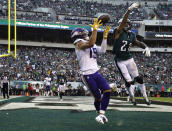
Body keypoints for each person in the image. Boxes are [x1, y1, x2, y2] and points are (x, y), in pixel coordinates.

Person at [71, 18, 111, 124]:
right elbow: (91, 43)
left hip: (96, 72)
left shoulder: (89, 42)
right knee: (98, 98)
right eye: (83, 33)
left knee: (107, 91)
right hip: (87, 74)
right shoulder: (78, 43)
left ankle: (101, 115)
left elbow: (103, 50)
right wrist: (95, 30)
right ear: (78, 35)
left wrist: (105, 37)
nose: (85, 34)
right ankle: (99, 112)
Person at [112, 2, 151, 105]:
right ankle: (132, 96)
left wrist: (146, 47)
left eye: (126, 23)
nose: (125, 25)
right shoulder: (118, 32)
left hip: (129, 59)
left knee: (139, 78)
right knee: (129, 82)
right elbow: (123, 22)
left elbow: (138, 43)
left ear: (129, 25)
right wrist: (129, 10)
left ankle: (145, 98)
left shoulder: (132, 35)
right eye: (123, 24)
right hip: (120, 60)